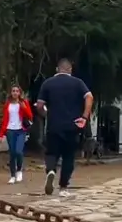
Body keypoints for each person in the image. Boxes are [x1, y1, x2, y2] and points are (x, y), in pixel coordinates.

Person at [35, 59, 93, 197]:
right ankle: (63, 187)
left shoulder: (48, 83)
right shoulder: (78, 83)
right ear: (70, 70)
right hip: (72, 125)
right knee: (68, 156)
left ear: (57, 69)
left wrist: (46, 114)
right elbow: (89, 97)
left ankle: (50, 170)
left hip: (54, 125)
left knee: (51, 153)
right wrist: (84, 118)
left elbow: (39, 105)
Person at [0, 85, 33, 184]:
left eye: (17, 91)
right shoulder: (7, 104)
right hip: (10, 130)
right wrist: (1, 134)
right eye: (13, 91)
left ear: (20, 93)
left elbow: (30, 116)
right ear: (11, 93)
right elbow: (4, 120)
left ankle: (19, 170)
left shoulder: (23, 103)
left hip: (21, 130)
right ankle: (12, 176)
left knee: (18, 151)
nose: (15, 93)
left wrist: (24, 108)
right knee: (12, 153)